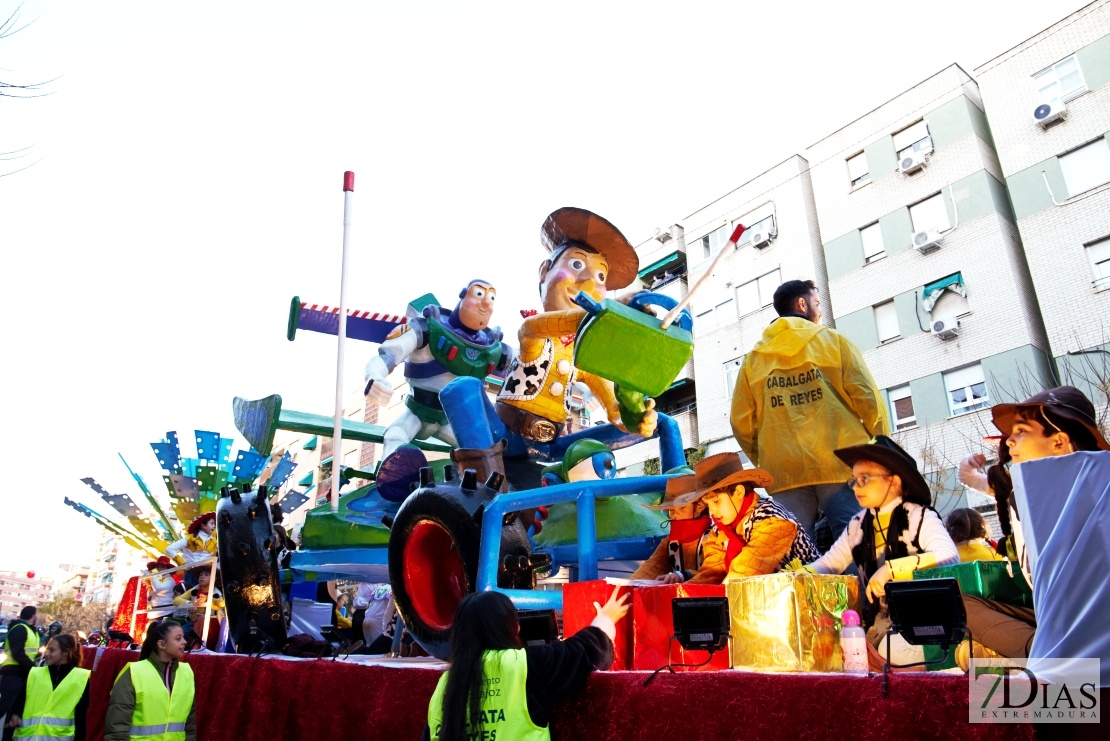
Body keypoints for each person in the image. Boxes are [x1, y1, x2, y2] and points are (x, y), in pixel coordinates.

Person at [439, 208, 658, 484]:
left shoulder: (585, 359)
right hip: (505, 438)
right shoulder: (534, 330)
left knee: (660, 423)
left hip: (552, 447)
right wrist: (610, 311)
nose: (589, 282)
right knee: (463, 388)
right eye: (577, 265)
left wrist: (635, 420)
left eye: (600, 277)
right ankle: (489, 492)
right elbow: (551, 325)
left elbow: (614, 409)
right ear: (544, 271)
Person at [955, 386, 1109, 670]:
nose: (1009, 442)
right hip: (1051, 621)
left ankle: (1031, 657)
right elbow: (976, 480)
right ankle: (1033, 652)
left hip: (1088, 631)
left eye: (1021, 431)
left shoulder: (1098, 490)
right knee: (957, 604)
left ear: (1059, 441)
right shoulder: (1023, 493)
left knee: (1007, 697)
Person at [730, 279, 890, 543]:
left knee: (792, 550)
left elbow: (741, 423)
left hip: (785, 469)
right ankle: (859, 587)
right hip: (841, 461)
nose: (819, 310)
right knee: (855, 544)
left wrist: (765, 458)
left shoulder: (753, 360)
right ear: (802, 304)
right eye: (816, 303)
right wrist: (882, 446)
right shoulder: (834, 342)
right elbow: (868, 398)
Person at [794, 435, 959, 646]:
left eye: (864, 479)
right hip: (881, 622)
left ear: (894, 481)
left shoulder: (919, 515)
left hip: (929, 619)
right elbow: (829, 563)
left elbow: (949, 556)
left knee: (895, 651)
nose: (855, 487)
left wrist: (891, 569)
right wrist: (796, 577)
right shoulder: (858, 524)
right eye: (853, 480)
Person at [363, 279, 515, 500]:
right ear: (464, 296)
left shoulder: (492, 348)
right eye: (479, 295)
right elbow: (386, 356)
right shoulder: (426, 328)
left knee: (488, 454)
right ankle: (398, 477)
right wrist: (374, 377)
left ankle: (495, 494)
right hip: (418, 410)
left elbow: (526, 364)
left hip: (455, 422)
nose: (486, 305)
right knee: (396, 434)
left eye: (491, 298)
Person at [423, 587, 629, 741]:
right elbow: (588, 652)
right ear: (513, 628)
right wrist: (606, 619)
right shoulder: (521, 664)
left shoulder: (444, 684)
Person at [652, 453, 819, 584]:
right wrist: (683, 592)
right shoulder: (721, 529)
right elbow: (712, 571)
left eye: (716, 501)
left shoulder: (772, 521)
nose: (712, 511)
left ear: (739, 492)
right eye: (708, 504)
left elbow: (744, 573)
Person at [105, 621, 196, 741]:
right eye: (178, 639)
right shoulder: (134, 672)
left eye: (183, 637)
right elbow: (117, 726)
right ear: (161, 644)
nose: (184, 642)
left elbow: (189, 725)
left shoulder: (187, 673)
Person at [5, 633, 90, 741]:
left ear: (65, 652)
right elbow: (19, 701)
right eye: (46, 649)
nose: (46, 654)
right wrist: (16, 715)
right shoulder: (35, 673)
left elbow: (81, 717)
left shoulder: (80, 678)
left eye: (52, 650)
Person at [0, 607, 40, 741]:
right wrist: (33, 668)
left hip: (22, 675)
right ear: (33, 615)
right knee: (4, 707)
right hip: (14, 674)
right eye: (37, 614)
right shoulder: (20, 629)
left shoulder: (29, 630)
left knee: (13, 714)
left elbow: (31, 652)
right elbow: (18, 653)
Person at [165, 513, 218, 589]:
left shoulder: (214, 541)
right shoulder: (190, 539)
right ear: (203, 526)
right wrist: (184, 563)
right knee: (188, 597)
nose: (214, 526)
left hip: (206, 574)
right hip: (191, 573)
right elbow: (169, 549)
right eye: (212, 523)